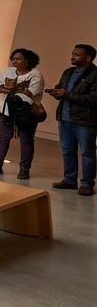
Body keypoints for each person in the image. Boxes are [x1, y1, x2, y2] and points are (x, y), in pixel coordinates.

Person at [46, 44, 97, 196]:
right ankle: (69, 180)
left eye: (77, 54)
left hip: (85, 121)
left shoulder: (95, 74)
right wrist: (57, 92)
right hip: (65, 118)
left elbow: (94, 99)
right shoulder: (68, 72)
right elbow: (63, 89)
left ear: (88, 58)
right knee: (67, 151)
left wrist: (66, 94)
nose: (72, 56)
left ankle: (87, 184)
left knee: (87, 153)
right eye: (72, 53)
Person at [0, 48, 44, 179]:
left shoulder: (35, 74)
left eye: (18, 59)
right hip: (6, 110)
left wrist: (13, 88)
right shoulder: (6, 71)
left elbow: (31, 93)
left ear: (27, 61)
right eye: (13, 59)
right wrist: (1, 88)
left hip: (26, 112)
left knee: (26, 141)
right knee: (2, 138)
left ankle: (24, 170)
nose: (15, 61)